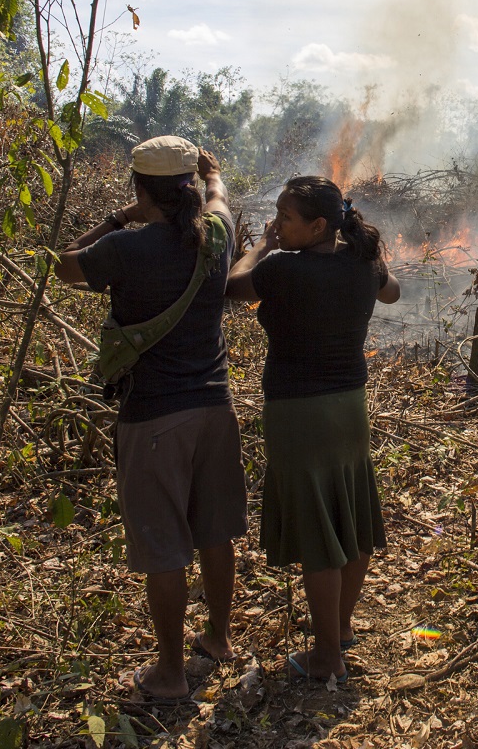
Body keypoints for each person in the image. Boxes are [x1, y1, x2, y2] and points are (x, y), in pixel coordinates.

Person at [55, 136, 246, 702]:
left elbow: (61, 265)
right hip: (215, 407)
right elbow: (221, 200)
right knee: (214, 531)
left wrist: (119, 217)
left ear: (140, 188)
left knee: (164, 547)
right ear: (190, 187)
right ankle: (218, 638)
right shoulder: (216, 234)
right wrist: (212, 176)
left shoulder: (124, 247)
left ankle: (169, 673)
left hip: (154, 416)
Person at [226, 176, 400, 682]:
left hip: (299, 414)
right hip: (350, 409)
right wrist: (365, 253)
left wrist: (262, 244)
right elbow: (393, 293)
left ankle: (327, 658)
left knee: (319, 533)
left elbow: (231, 287)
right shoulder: (363, 263)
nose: (278, 224)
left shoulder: (282, 268)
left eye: (286, 217)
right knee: (351, 517)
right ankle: (339, 628)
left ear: (319, 225)